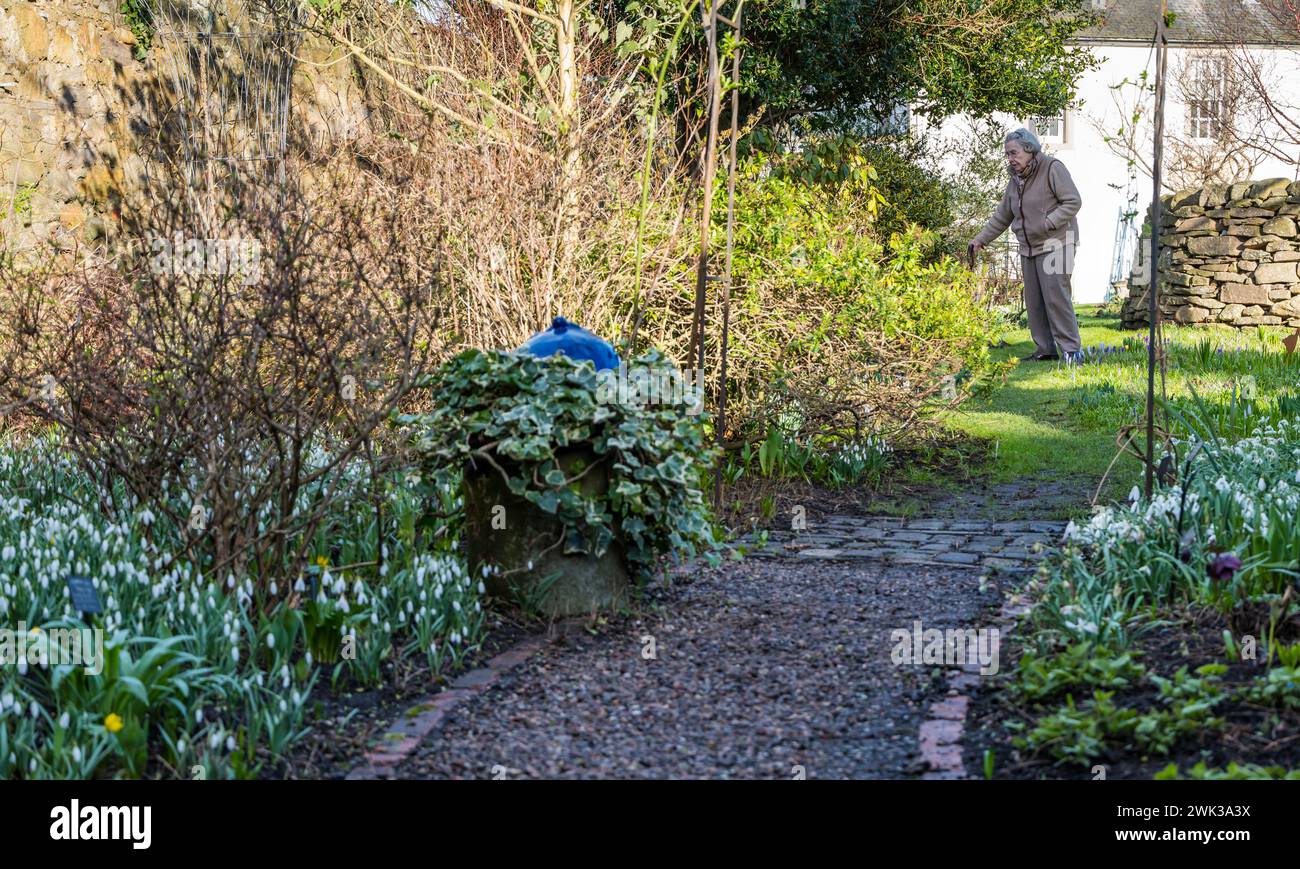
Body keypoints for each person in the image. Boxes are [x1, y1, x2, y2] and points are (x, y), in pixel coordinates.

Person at [968, 128, 1084, 363]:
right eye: (1007, 154)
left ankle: (1072, 351)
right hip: (1029, 247)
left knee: (1056, 297)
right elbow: (1003, 215)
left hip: (1056, 242)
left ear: (1029, 150)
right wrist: (980, 239)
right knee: (1034, 301)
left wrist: (1048, 223)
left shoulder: (1052, 168)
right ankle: (1045, 350)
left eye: (1014, 153)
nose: (1010, 159)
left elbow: (1073, 201)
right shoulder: (1015, 180)